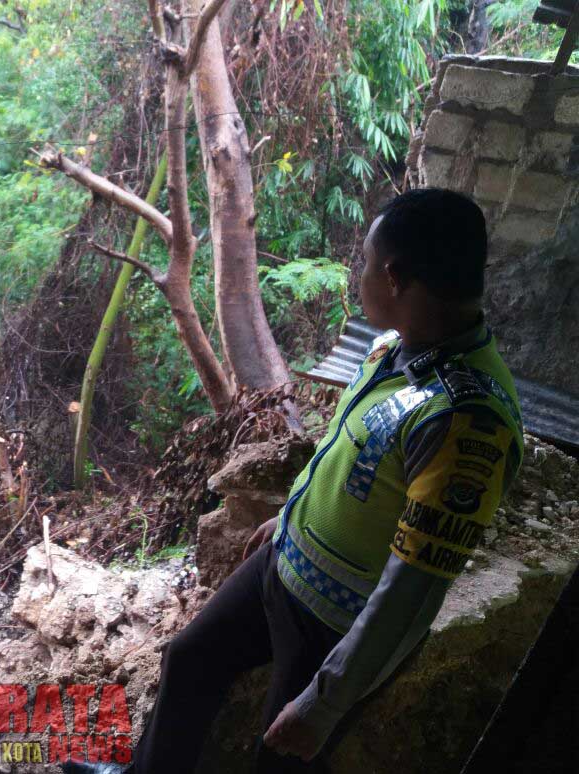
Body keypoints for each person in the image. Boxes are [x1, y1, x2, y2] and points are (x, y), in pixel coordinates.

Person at [61, 188, 525, 774]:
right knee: (190, 657)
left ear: (395, 276)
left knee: (278, 762)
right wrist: (289, 518)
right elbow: (349, 456)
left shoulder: (467, 421)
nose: (357, 277)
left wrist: (327, 701)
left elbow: (414, 590)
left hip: (334, 626)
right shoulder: (394, 350)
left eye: (363, 262)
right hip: (281, 569)